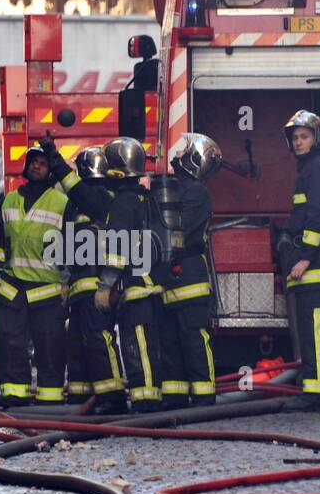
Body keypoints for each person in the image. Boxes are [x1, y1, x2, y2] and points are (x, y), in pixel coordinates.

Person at [0, 141, 69, 407]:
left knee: (50, 345)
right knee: (10, 343)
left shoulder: (62, 203)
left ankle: (50, 395)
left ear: (50, 170)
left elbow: (70, 245)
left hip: (47, 288)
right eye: (33, 161)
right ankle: (14, 393)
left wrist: (67, 280)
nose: (37, 166)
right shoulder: (8, 200)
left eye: (43, 163)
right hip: (13, 288)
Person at [278, 111, 320, 410]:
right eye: (295, 138)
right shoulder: (316, 167)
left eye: (304, 137)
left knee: (315, 329)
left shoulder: (317, 169)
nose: (298, 142)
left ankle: (317, 393)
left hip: (316, 265)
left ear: (317, 139)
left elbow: (317, 217)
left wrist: (304, 257)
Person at [55, 145, 126, 414]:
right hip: (78, 287)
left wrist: (108, 283)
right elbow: (65, 242)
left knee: (98, 339)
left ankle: (112, 396)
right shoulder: (75, 203)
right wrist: (64, 280)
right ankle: (81, 395)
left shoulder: (101, 197)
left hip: (97, 284)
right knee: (77, 342)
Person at [96, 138, 163, 413]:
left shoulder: (123, 203)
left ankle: (146, 400)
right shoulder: (143, 197)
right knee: (145, 343)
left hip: (137, 286)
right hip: (150, 284)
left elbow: (118, 247)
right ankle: (147, 397)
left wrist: (105, 285)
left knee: (138, 345)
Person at [157, 134, 222, 408]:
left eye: (186, 151)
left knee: (193, 338)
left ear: (195, 158)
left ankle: (204, 396)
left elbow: (184, 233)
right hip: (171, 275)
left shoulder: (194, 191)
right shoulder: (176, 187)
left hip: (188, 274)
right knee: (170, 342)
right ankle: (175, 396)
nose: (179, 154)